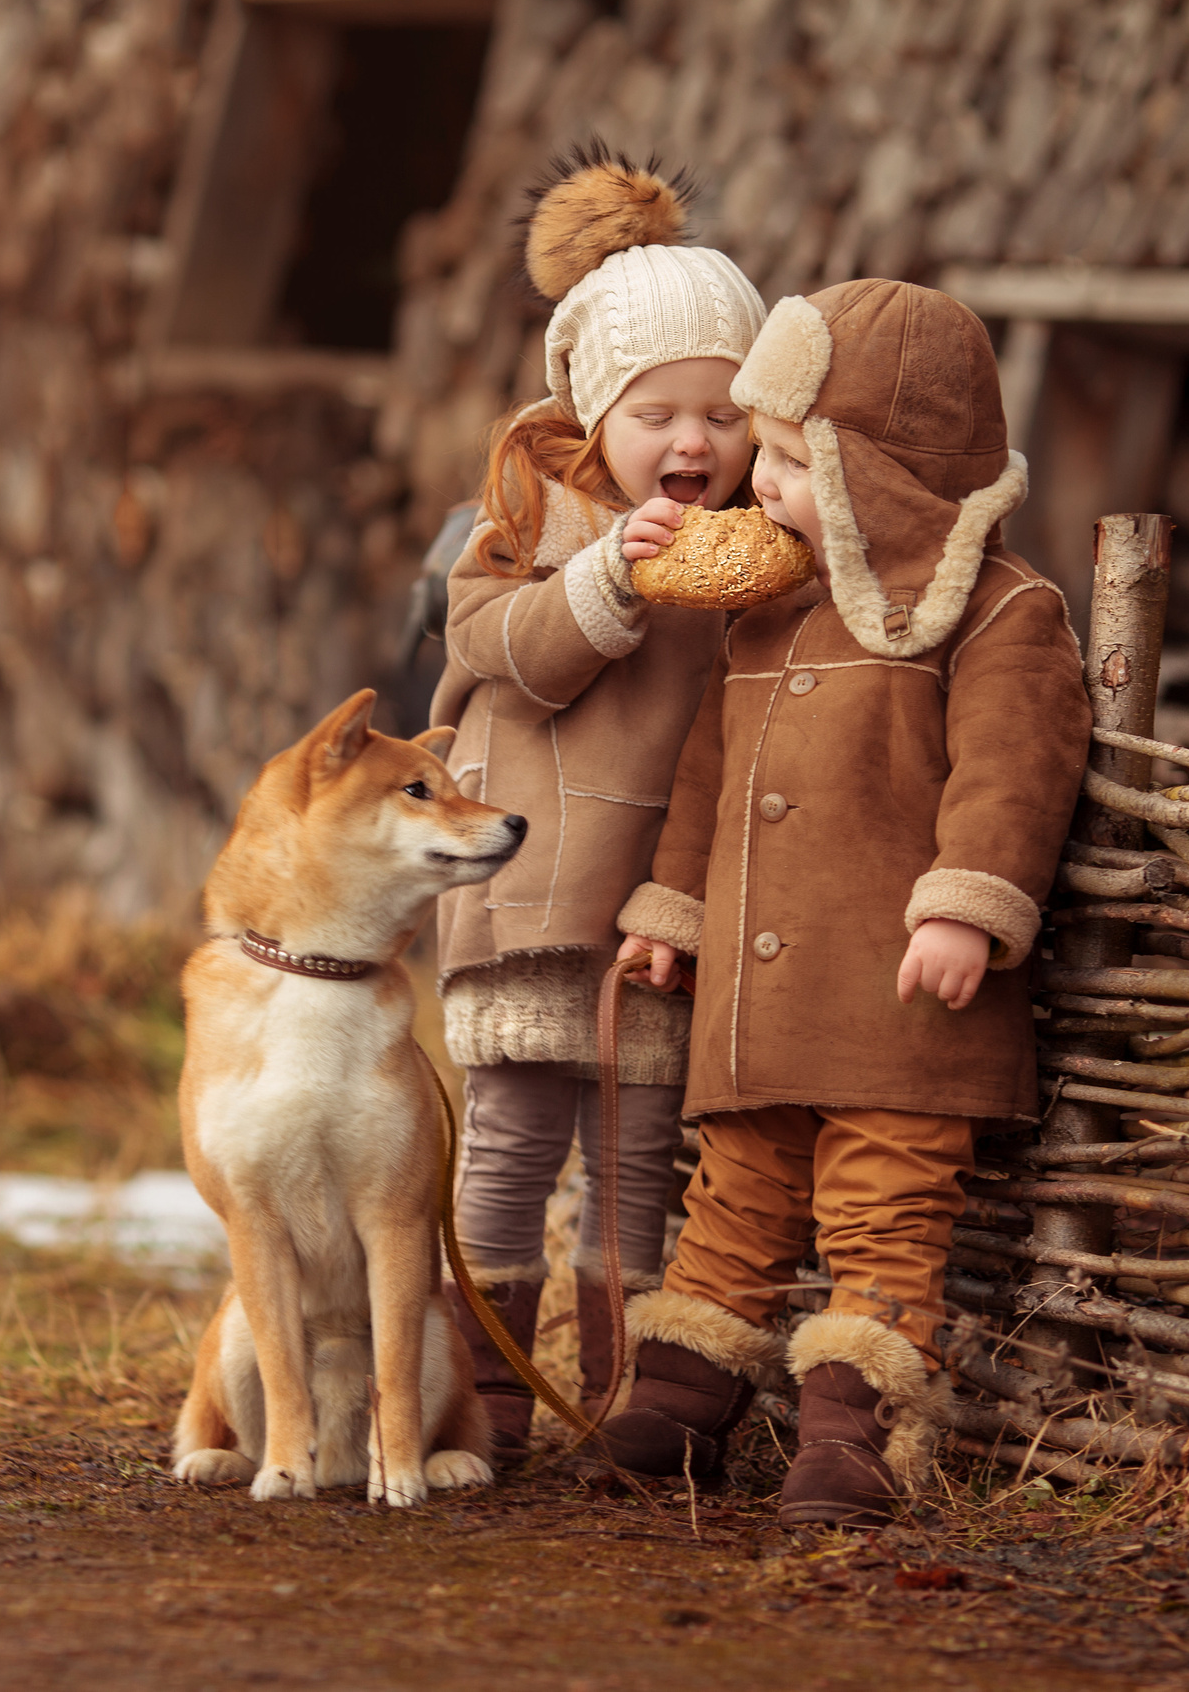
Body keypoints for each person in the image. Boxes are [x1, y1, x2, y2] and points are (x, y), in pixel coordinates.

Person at [600, 279, 1092, 1527]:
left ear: (884, 473)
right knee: (735, 1194)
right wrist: (672, 914)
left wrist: (965, 904)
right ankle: (679, 1397)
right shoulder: (765, 613)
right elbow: (708, 778)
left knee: (885, 1211)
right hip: (761, 1004)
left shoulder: (997, 613)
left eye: (788, 458)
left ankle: (852, 1438)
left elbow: (1014, 766)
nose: (757, 484)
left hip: (896, 1006)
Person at [429, 151, 766, 1465]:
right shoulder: (536, 514)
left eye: (726, 416)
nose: (694, 443)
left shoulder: (756, 559)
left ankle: (623, 1403)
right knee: (512, 1141)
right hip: (526, 898)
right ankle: (487, 1390)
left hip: (654, 914)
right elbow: (489, 641)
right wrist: (604, 590)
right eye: (658, 411)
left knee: (634, 1163)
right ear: (591, 411)